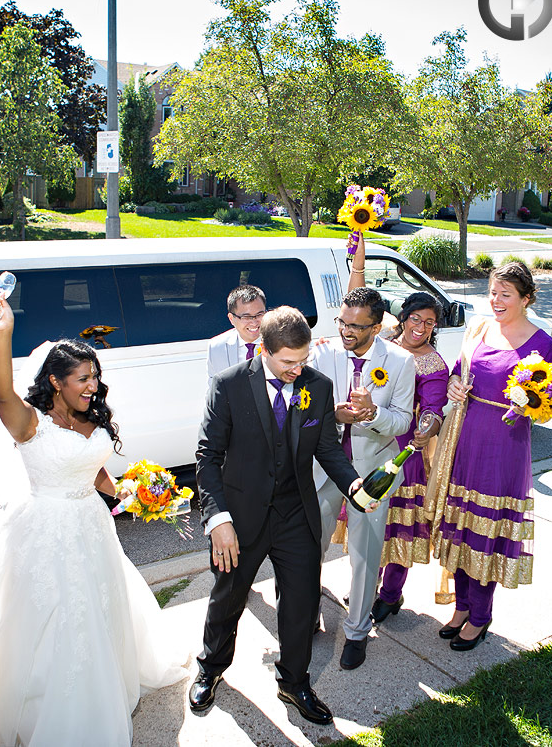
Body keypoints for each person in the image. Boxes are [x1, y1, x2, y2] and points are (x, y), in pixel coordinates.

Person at [0, 294, 191, 746]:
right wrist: (3, 331)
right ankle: (47, 702)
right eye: (82, 378)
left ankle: (103, 683)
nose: (92, 385)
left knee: (97, 605)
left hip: (91, 523)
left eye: (95, 376)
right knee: (49, 614)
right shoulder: (30, 423)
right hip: (44, 529)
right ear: (55, 381)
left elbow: (92, 470)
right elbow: (1, 392)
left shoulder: (90, 417)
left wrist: (134, 493)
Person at [191, 306, 364, 726]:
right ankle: (211, 669)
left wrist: (353, 484)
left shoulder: (317, 387)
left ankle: (294, 680)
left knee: (302, 602)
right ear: (264, 350)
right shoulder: (228, 386)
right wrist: (219, 521)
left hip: (295, 513)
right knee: (227, 599)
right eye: (288, 362)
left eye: (303, 360)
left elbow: (325, 447)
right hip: (240, 517)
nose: (297, 369)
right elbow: (207, 458)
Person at [432, 262, 552, 651]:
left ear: (525, 298)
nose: (497, 300)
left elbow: (551, 400)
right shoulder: (479, 328)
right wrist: (454, 384)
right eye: (493, 292)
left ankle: (481, 616)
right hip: (465, 436)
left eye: (506, 294)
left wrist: (531, 406)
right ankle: (462, 605)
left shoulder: (543, 343)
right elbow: (458, 370)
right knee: (461, 525)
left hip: (504, 443)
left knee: (485, 529)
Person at [342, 235, 448, 625]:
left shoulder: (433, 362)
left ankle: (390, 593)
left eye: (430, 322)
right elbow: (356, 303)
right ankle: (363, 587)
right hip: (367, 445)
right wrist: (359, 254)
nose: (421, 327)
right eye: (416, 318)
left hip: (405, 452)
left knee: (398, 527)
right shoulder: (380, 341)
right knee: (366, 523)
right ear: (401, 319)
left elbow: (434, 408)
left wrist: (427, 428)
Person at [308, 283, 414, 671]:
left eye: (355, 325)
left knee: (365, 555)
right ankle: (306, 616)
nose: (346, 331)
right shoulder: (323, 353)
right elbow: (305, 409)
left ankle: (356, 631)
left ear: (377, 325)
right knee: (310, 547)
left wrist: (373, 415)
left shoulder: (401, 362)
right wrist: (333, 415)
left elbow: (403, 421)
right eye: (342, 322)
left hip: (372, 475)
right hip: (325, 469)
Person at [207, 285, 267, 379]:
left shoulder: (280, 342)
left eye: (259, 314)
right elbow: (214, 388)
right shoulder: (217, 347)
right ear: (231, 319)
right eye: (246, 317)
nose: (254, 322)